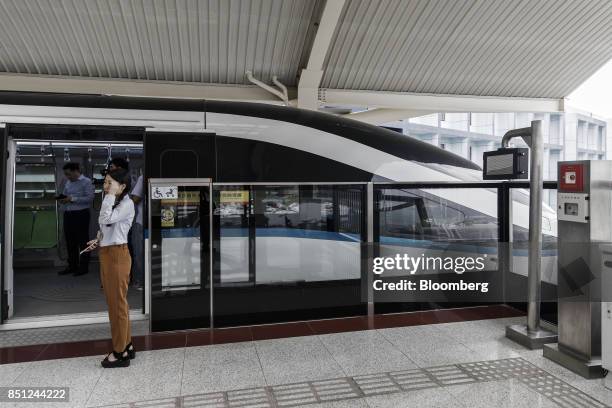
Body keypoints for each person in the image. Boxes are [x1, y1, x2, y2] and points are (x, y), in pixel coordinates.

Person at [85, 168, 135, 368]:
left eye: (110, 183)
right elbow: (109, 228)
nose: (105, 187)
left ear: (122, 186)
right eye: (105, 182)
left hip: (116, 255)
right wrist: (98, 239)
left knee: (117, 306)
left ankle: (119, 352)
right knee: (118, 304)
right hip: (110, 252)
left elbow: (106, 219)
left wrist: (108, 197)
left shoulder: (126, 203)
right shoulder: (118, 202)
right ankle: (127, 345)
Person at [107, 158, 144, 289]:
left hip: (133, 220)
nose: (111, 169)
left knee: (133, 252)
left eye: (113, 167)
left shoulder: (135, 180)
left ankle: (135, 279)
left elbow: (135, 199)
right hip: (130, 219)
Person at [59, 162, 94, 276]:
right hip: (68, 214)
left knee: (83, 242)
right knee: (70, 241)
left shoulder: (87, 182)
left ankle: (83, 267)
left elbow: (89, 198)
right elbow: (65, 195)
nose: (67, 177)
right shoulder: (67, 182)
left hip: (81, 214)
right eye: (66, 174)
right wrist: (62, 198)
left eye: (69, 174)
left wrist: (72, 199)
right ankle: (72, 266)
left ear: (75, 171)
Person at [130, 174, 144, 289]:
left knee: (139, 253)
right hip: (164, 221)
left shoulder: (143, 177)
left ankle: (140, 281)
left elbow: (136, 198)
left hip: (142, 222)